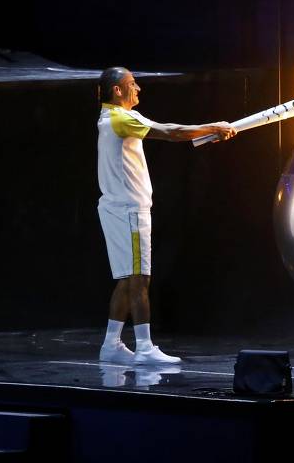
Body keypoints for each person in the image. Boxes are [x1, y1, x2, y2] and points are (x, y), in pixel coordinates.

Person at [96, 66, 236, 365]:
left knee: (127, 278)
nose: (138, 88)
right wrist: (213, 126)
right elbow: (170, 132)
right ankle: (145, 348)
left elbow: (174, 132)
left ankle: (111, 345)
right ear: (117, 90)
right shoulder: (121, 118)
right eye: (132, 84)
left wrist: (208, 132)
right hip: (129, 211)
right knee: (139, 279)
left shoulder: (111, 118)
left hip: (118, 208)